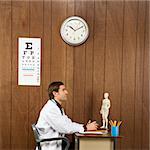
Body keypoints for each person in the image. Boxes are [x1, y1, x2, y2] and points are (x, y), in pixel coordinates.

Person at [36, 81, 98, 150]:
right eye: (63, 90)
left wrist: (84, 127)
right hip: (51, 146)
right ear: (55, 93)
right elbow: (65, 127)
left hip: (56, 144)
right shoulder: (50, 109)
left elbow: (68, 123)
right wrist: (85, 128)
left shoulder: (57, 107)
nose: (66, 92)